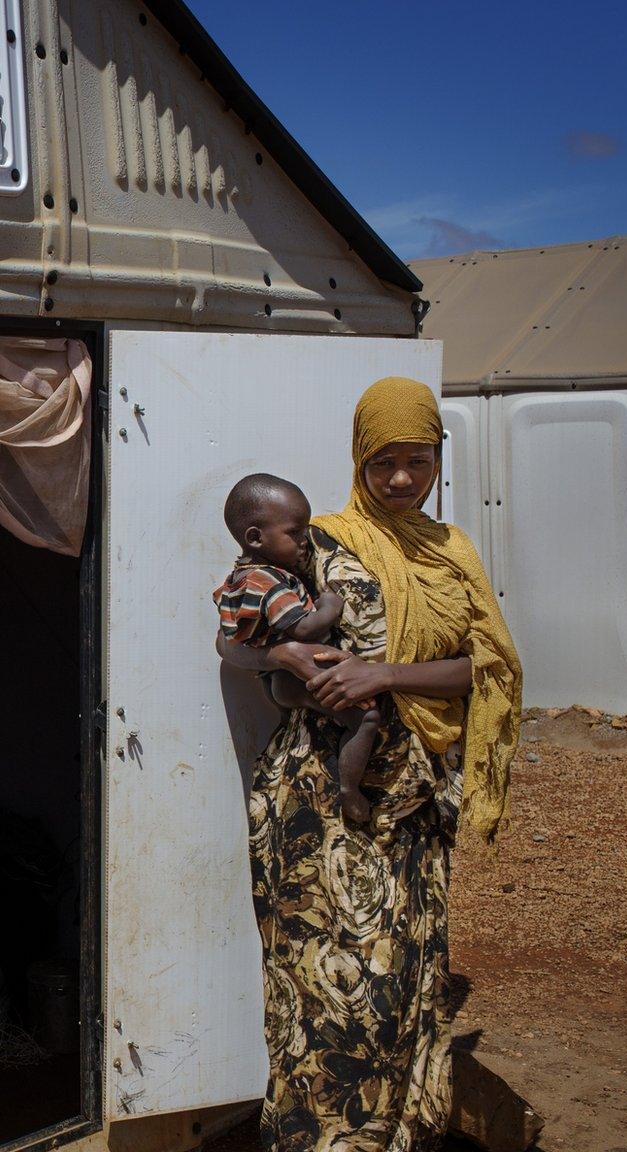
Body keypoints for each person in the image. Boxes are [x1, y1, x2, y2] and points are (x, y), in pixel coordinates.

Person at [215, 378, 521, 1151]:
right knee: (321, 991)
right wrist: (282, 650)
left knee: (403, 987)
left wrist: (384, 675)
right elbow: (236, 637)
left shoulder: (454, 553)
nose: (399, 480)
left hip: (415, 797)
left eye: (416, 461)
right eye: (383, 462)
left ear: (437, 460)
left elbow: (483, 667)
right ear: (360, 459)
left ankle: (396, 1137)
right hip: (319, 800)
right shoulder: (317, 540)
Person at [213, 472, 380, 823]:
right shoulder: (269, 581)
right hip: (295, 677)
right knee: (365, 719)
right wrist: (330, 607)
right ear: (255, 538)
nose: (305, 541)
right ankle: (350, 790)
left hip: (278, 681)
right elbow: (304, 629)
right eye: (295, 533)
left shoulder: (240, 578)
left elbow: (230, 634)